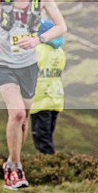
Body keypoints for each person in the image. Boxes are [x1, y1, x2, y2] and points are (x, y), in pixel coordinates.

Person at [0, 0, 67, 190]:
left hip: (28, 65)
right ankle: (15, 170)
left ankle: (11, 160)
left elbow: (61, 26)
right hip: (2, 63)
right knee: (17, 114)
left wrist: (39, 39)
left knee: (24, 119)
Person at [30, 18, 66, 155]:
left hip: (39, 98)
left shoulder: (37, 50)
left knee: (41, 136)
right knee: (48, 133)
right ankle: (49, 161)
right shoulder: (60, 52)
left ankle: (48, 162)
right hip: (55, 97)